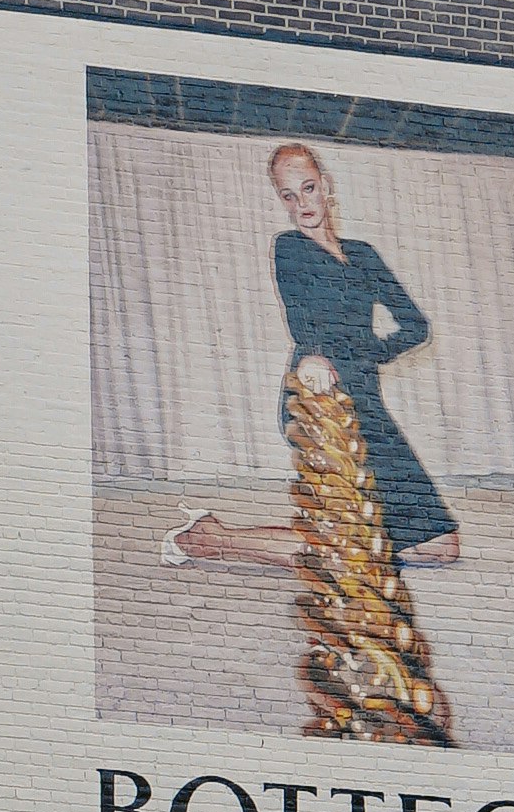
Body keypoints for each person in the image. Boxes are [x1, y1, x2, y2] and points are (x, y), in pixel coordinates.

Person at [167, 136, 463, 581]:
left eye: (307, 188)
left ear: (325, 185)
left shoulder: (363, 255)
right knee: (343, 550)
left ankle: (355, 548)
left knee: (441, 546)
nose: (301, 202)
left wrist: (369, 354)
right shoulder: (289, 247)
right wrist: (316, 358)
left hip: (368, 402)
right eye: (288, 194)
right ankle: (208, 538)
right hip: (317, 399)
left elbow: (415, 326)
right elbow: (300, 318)